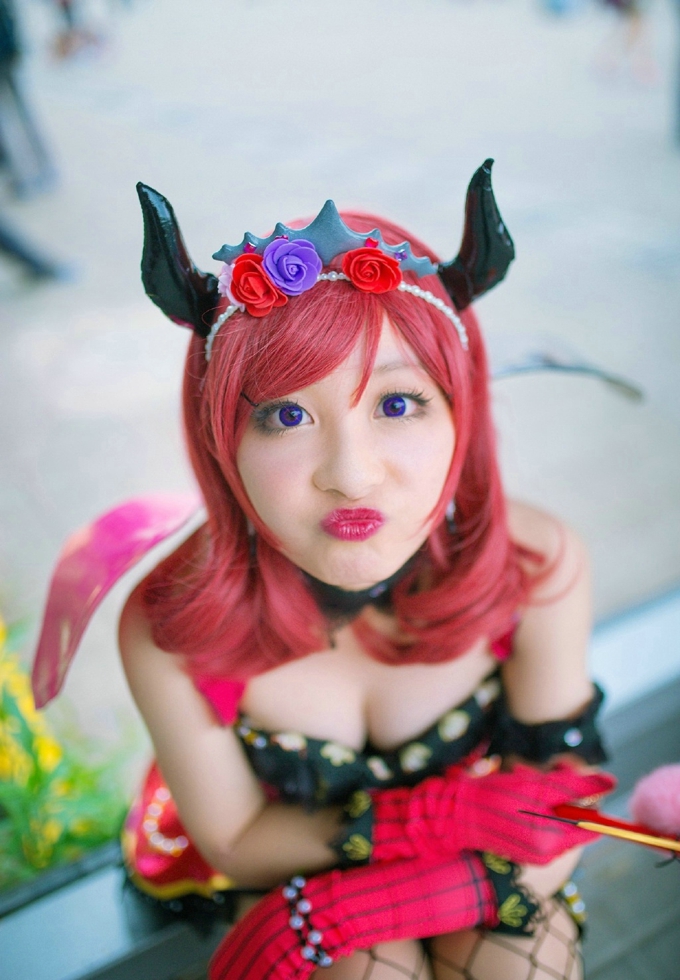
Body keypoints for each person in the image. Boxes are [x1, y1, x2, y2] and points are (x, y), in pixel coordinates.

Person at [33, 162, 616, 980]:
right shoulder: (173, 626)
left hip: (476, 872)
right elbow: (239, 839)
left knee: (517, 962)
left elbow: (565, 804)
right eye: (287, 414)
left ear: (462, 412)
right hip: (291, 872)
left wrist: (407, 897)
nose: (352, 475)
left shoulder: (534, 566)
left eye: (397, 403)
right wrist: (401, 860)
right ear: (221, 438)